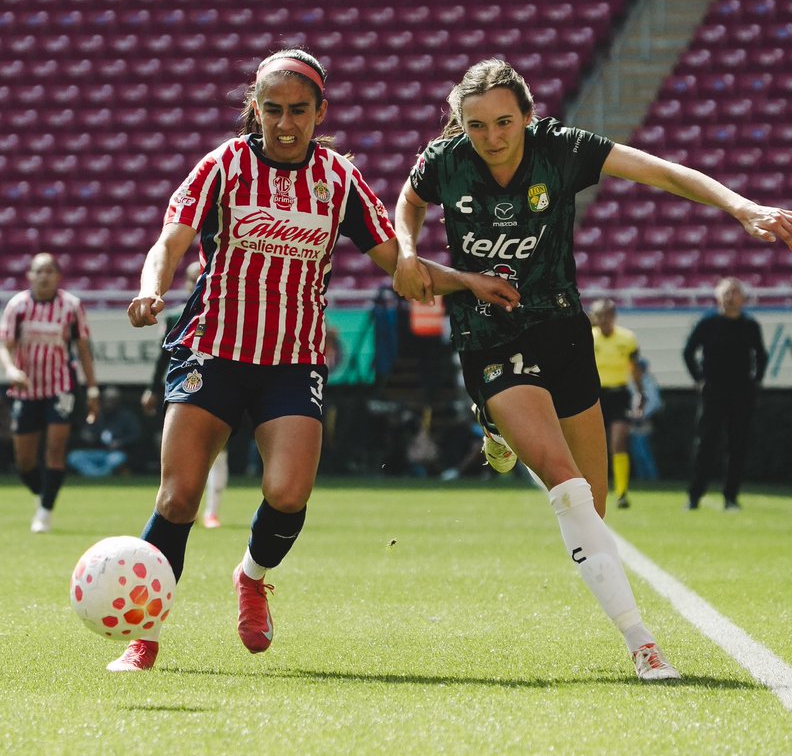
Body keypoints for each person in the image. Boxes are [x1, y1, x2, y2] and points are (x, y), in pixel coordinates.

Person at [392, 59, 792, 680]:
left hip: (562, 328)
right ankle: (641, 642)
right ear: (461, 124)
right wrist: (407, 250)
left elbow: (660, 172)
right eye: (476, 125)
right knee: (565, 488)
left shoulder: (560, 149)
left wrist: (739, 205)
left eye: (505, 122)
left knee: (594, 500)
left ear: (528, 117)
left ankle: (498, 428)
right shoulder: (445, 158)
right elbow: (408, 201)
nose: (492, 137)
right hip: (488, 332)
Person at [111, 48, 517, 673]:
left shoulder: (338, 179)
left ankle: (252, 577)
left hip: (290, 360)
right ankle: (147, 633)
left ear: (320, 111)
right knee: (178, 499)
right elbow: (172, 238)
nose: (284, 123)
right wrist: (150, 287)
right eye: (271, 109)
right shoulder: (222, 166)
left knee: (289, 492)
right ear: (256, 109)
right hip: (212, 349)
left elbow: (399, 266)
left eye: (299, 110)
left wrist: (466, 281)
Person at [0, 252, 100, 533]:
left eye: (49, 271)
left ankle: (45, 512)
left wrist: (91, 389)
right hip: (27, 390)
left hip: (61, 388)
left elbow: (83, 349)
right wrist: (10, 370)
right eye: (38, 271)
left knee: (55, 450)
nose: (43, 276)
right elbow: (5, 346)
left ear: (58, 276)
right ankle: (43, 494)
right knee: (25, 461)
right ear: (29, 275)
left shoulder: (71, 306)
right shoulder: (17, 306)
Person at [141, 262, 229, 528]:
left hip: (221, 384)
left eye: (200, 275)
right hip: (182, 388)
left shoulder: (227, 314)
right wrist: (151, 388)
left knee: (220, 451)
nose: (196, 282)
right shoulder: (175, 316)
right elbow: (162, 356)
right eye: (192, 279)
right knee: (181, 451)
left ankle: (212, 510)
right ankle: (174, 505)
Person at [683, 277, 768, 512]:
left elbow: (761, 355)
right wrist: (699, 379)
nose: (731, 297)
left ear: (743, 298)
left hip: (741, 391)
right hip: (713, 390)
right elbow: (689, 351)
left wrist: (757, 380)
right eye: (726, 293)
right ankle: (694, 496)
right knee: (705, 444)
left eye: (735, 292)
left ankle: (731, 497)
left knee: (737, 444)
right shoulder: (707, 322)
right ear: (718, 297)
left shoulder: (750, 325)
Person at [589, 298, 639, 509]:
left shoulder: (627, 338)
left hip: (619, 394)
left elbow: (634, 368)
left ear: (614, 316)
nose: (604, 320)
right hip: (594, 395)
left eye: (607, 315)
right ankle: (592, 490)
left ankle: (621, 492)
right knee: (592, 445)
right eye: (599, 316)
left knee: (618, 442)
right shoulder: (588, 338)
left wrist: (641, 393)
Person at [67, 387, 142, 477]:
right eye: (107, 399)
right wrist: (88, 436)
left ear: (118, 400)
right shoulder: (95, 415)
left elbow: (135, 435)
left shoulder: (127, 417)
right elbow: (86, 432)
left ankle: (99, 475)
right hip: (95, 451)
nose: (109, 403)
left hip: (114, 453)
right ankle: (95, 475)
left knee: (117, 459)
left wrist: (120, 442)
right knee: (74, 457)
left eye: (113, 400)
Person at [628, 358, 662, 481]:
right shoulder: (633, 382)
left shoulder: (649, 383)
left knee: (644, 451)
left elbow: (655, 403)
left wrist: (643, 415)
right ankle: (642, 478)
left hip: (645, 421)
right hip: (634, 421)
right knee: (636, 452)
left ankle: (652, 478)